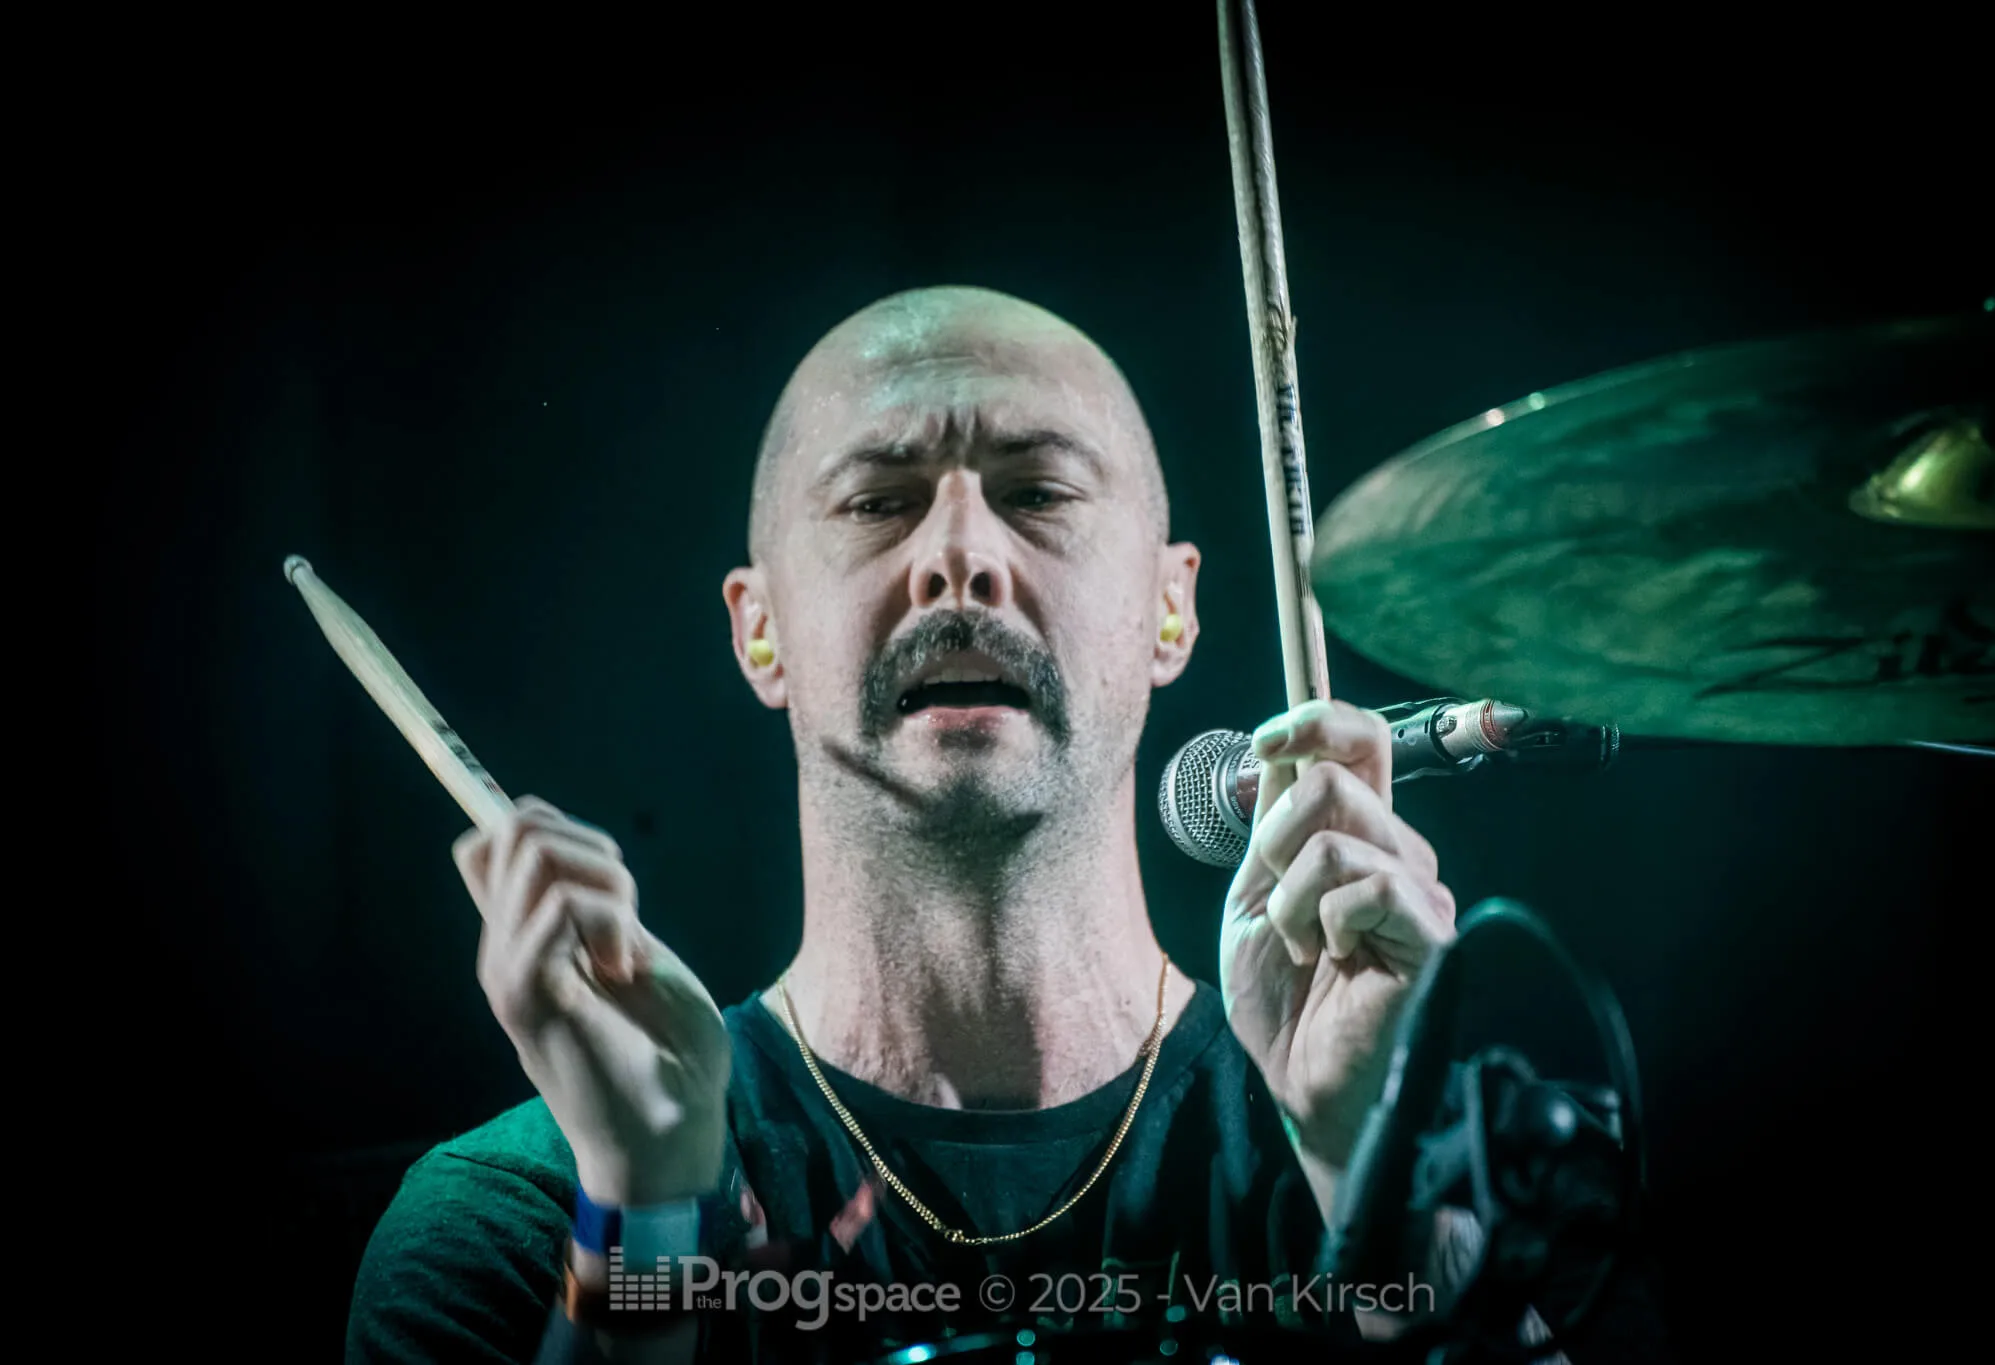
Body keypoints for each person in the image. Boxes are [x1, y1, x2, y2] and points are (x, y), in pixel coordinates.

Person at [345, 286, 1662, 1363]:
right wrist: (647, 1215)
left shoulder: (1430, 1158)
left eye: (1038, 492)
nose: (961, 556)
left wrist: (1378, 1182)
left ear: (1170, 610)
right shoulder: (522, 1221)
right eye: (878, 500)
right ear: (760, 629)